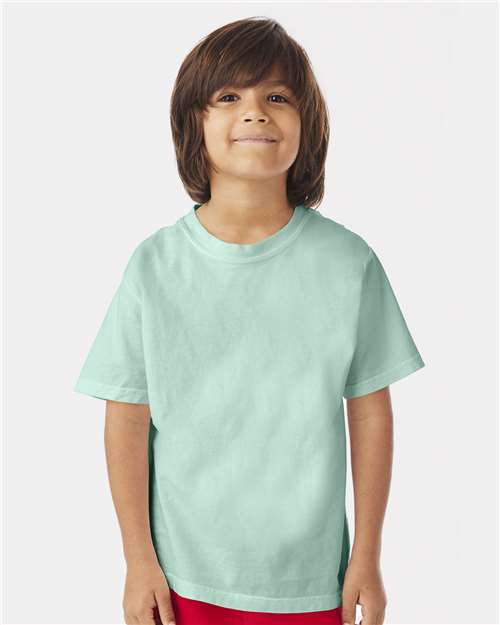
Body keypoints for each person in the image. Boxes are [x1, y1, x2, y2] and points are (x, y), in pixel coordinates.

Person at [74, 16, 425, 625]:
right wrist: (137, 560)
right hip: (182, 576)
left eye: (278, 97)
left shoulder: (349, 263)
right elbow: (126, 416)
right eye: (230, 97)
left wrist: (367, 556)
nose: (256, 112)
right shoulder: (154, 266)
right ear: (194, 124)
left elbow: (370, 412)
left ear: (307, 125)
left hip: (311, 580)